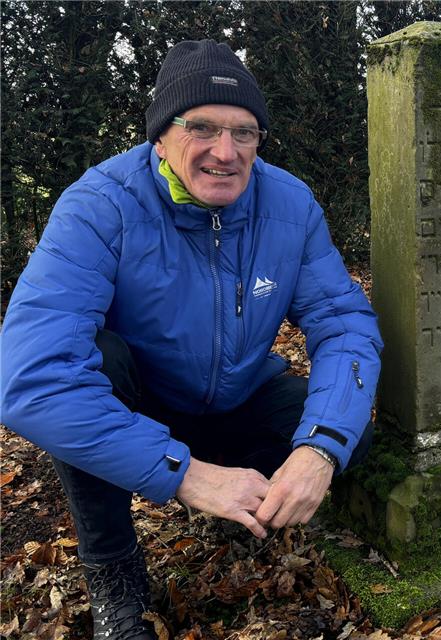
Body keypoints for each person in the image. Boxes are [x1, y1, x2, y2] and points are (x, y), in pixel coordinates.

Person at [1, 40, 382, 640]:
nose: (224, 153)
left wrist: (319, 450)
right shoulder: (100, 206)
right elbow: (33, 379)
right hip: (143, 406)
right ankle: (115, 576)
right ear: (160, 134)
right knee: (97, 363)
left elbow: (344, 323)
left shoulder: (290, 205)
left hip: (236, 395)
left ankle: (249, 503)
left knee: (348, 438)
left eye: (245, 132)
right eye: (200, 127)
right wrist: (184, 475)